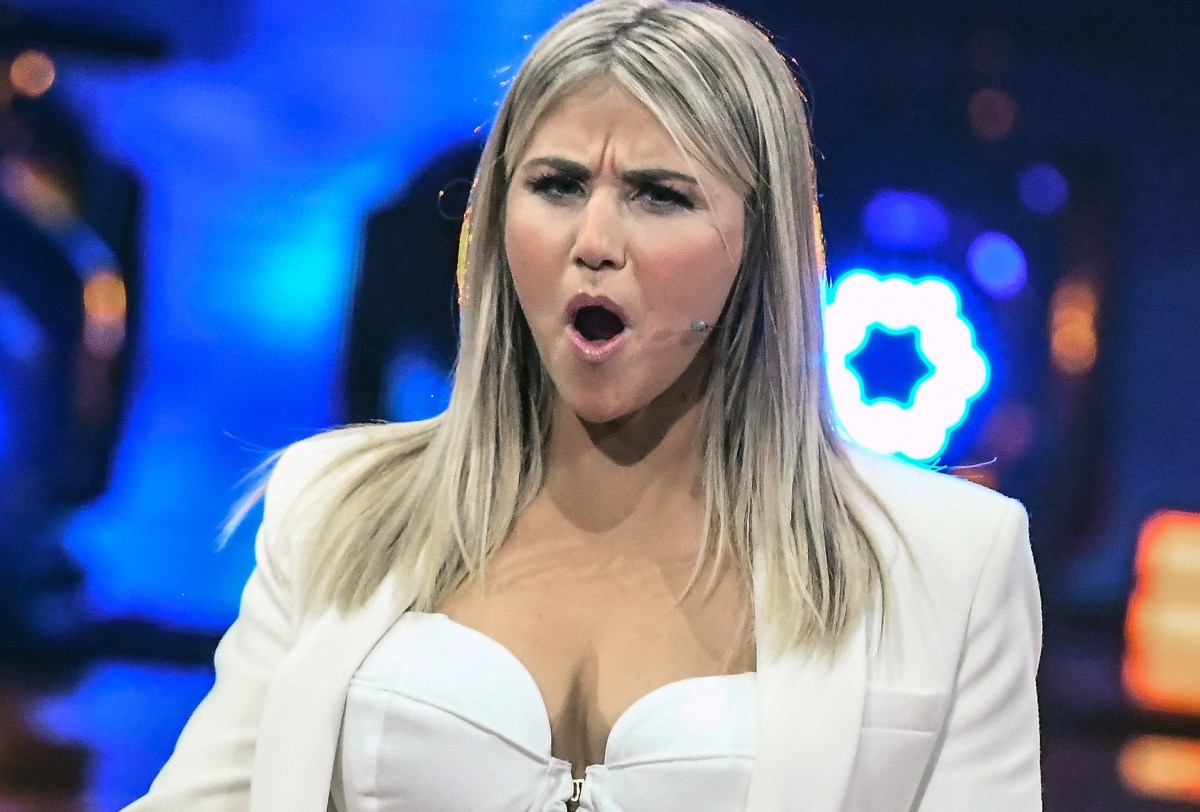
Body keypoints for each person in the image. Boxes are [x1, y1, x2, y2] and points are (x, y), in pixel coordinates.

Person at [126, 0, 1042, 809]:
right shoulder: (335, 503)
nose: (593, 240)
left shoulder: (948, 559)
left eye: (659, 195)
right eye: (557, 186)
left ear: (759, 243)